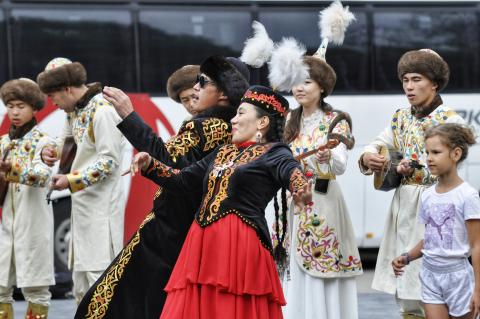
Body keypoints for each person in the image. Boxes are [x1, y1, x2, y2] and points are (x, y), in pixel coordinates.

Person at [74, 56, 250, 319]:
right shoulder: (232, 126)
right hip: (195, 229)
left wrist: (128, 114)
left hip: (168, 231)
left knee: (107, 304)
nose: (196, 88)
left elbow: (166, 158)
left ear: (224, 92)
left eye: (203, 82)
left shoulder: (204, 125)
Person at [131, 85, 311, 319]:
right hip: (202, 243)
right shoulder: (223, 152)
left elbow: (291, 171)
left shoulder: (276, 153)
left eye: (241, 114)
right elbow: (182, 181)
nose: (233, 120)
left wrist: (300, 189)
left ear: (262, 123)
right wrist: (150, 165)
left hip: (238, 246)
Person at [359, 49, 465, 318]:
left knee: (431, 287)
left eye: (416, 79)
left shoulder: (451, 120)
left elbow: (451, 167)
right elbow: (378, 144)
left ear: (435, 82)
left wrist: (412, 167)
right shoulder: (401, 118)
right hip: (404, 207)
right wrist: (368, 156)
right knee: (405, 290)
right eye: (405, 79)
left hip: (437, 206)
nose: (409, 86)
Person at [36, 57, 125, 304]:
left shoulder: (103, 112)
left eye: (53, 95)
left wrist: (71, 180)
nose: (52, 103)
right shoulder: (75, 112)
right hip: (83, 209)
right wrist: (46, 151)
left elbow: (109, 162)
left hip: (101, 211)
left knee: (101, 285)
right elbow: (60, 144)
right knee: (81, 288)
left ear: (66, 88)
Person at [282, 53, 362, 319]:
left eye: (307, 81)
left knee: (321, 265)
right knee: (291, 264)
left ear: (323, 86)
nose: (299, 88)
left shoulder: (337, 119)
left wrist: (329, 157)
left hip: (322, 200)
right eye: (295, 81)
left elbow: (340, 165)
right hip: (291, 200)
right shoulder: (288, 119)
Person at [392, 123, 479, 319]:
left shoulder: (468, 195)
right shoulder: (428, 195)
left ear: (455, 154)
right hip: (430, 274)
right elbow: (431, 238)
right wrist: (407, 257)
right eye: (427, 152)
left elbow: (476, 246)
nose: (429, 158)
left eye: (436, 152)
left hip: (458, 278)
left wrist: (478, 290)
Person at [0, 78, 54, 319]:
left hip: (33, 225)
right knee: (1, 288)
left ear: (34, 107)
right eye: (10, 105)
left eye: (20, 106)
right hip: (6, 226)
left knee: (37, 290)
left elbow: (43, 176)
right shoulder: (2, 143)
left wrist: (9, 170)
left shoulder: (44, 142)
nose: (14, 112)